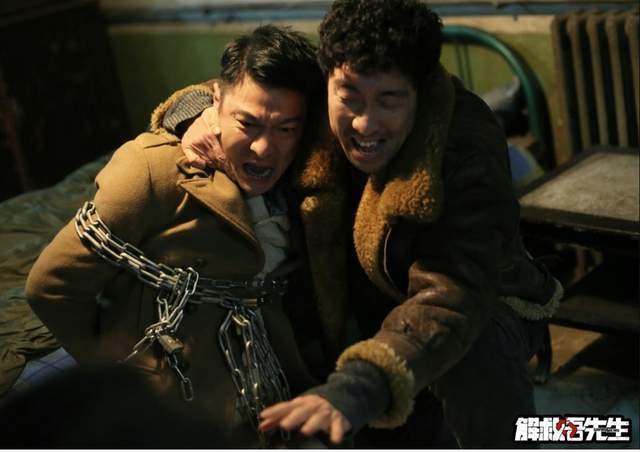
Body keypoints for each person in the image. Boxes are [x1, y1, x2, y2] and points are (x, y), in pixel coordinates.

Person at [163, 0, 563, 448]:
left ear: (421, 90)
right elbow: (238, 88)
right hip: (373, 310)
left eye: (388, 100)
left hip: (479, 304)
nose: (364, 123)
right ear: (327, 79)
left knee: (479, 354)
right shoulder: (320, 89)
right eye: (349, 97)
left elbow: (452, 294)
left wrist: (359, 386)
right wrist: (197, 113)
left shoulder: (463, 144)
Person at [25, 25, 329, 448]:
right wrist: (124, 378)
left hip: (280, 388)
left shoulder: (314, 171)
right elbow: (50, 286)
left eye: (285, 129)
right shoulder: (152, 171)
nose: (263, 149)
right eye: (248, 123)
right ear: (216, 103)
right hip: (183, 402)